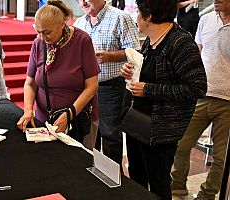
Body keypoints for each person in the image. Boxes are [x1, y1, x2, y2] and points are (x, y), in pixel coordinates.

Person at [120, 0, 207, 199]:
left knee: (158, 182)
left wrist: (148, 89)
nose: (136, 17)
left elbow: (197, 88)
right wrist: (132, 72)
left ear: (149, 15)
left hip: (161, 129)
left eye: (139, 12)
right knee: (137, 176)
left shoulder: (180, 42)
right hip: (138, 121)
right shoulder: (151, 40)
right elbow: (151, 74)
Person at [16, 0, 100, 150]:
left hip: (77, 120)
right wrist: (28, 110)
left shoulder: (82, 41)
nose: (42, 37)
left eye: (47, 32)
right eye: (38, 31)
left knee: (79, 166)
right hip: (44, 121)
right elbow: (30, 83)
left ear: (62, 24)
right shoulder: (38, 43)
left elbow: (91, 86)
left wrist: (69, 115)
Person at [171, 0, 230, 199]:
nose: (215, 0)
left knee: (220, 156)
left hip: (228, 101)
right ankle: (177, 184)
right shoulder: (205, 20)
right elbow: (197, 52)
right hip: (201, 95)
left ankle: (208, 193)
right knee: (181, 143)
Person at [74, 0, 140, 165]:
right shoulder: (79, 23)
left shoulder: (120, 17)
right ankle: (91, 174)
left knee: (110, 135)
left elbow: (135, 52)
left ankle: (113, 181)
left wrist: (109, 56)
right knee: (88, 133)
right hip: (85, 88)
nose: (83, 2)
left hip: (110, 87)